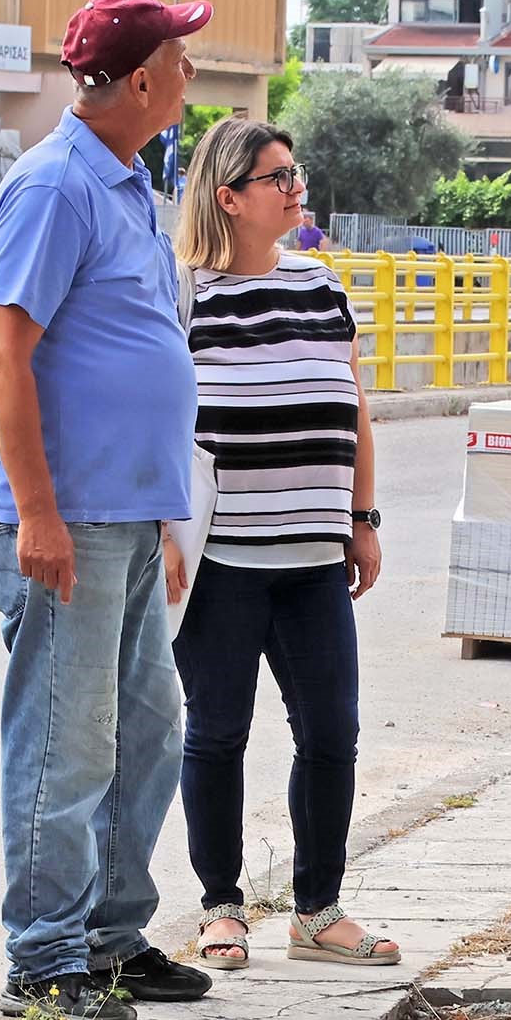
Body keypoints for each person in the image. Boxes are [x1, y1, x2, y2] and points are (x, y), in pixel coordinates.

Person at [0, 0, 217, 1020]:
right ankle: (44, 957)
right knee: (67, 741)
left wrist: (165, 517)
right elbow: (6, 353)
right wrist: (38, 512)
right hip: (65, 521)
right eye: (179, 59)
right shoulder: (53, 188)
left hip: (126, 518)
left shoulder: (130, 184)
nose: (190, 75)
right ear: (134, 81)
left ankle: (111, 938)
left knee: (151, 729)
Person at [171, 118, 393, 973]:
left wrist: (362, 518)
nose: (297, 187)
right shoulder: (186, 296)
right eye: (278, 177)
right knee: (217, 734)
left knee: (332, 733)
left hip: (313, 560)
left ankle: (318, 909)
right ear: (228, 198)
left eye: (296, 172)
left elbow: (356, 408)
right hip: (222, 561)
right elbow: (162, 427)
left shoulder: (322, 287)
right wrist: (165, 532)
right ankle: (221, 908)